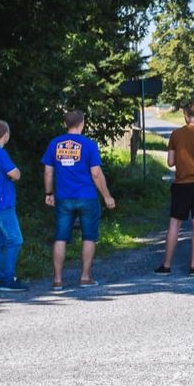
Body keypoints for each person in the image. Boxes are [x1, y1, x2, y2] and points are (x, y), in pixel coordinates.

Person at [41, 109, 116, 289]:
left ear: (66, 124)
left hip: (63, 198)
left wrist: (49, 193)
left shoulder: (55, 144)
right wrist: (107, 196)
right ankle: (85, 277)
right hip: (87, 197)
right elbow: (96, 173)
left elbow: (48, 171)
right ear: (82, 123)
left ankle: (58, 280)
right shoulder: (89, 145)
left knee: (60, 237)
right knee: (89, 237)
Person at [154, 103, 194, 275]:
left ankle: (166, 266)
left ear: (185, 115)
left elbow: (170, 162)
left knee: (174, 224)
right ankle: (193, 267)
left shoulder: (176, 135)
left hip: (182, 185)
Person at [0, 119, 27, 292]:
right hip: (4, 203)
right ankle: (7, 279)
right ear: (6, 135)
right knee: (15, 239)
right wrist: (14, 175)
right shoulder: (0, 153)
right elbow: (15, 174)